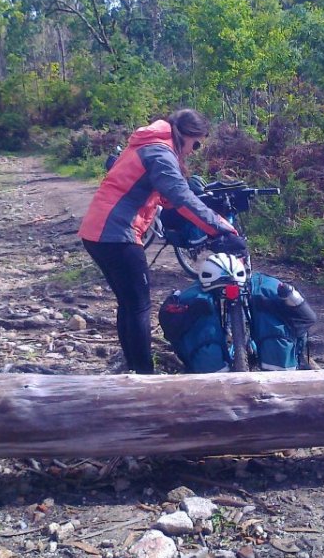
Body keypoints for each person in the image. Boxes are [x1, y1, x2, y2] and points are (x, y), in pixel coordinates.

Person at [79, 109, 243, 374]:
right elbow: (181, 198)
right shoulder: (160, 152)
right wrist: (223, 229)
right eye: (196, 143)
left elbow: (166, 197)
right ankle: (145, 376)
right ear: (185, 135)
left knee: (129, 303)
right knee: (140, 306)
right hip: (116, 234)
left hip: (98, 232)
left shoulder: (148, 144)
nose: (194, 150)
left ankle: (134, 368)